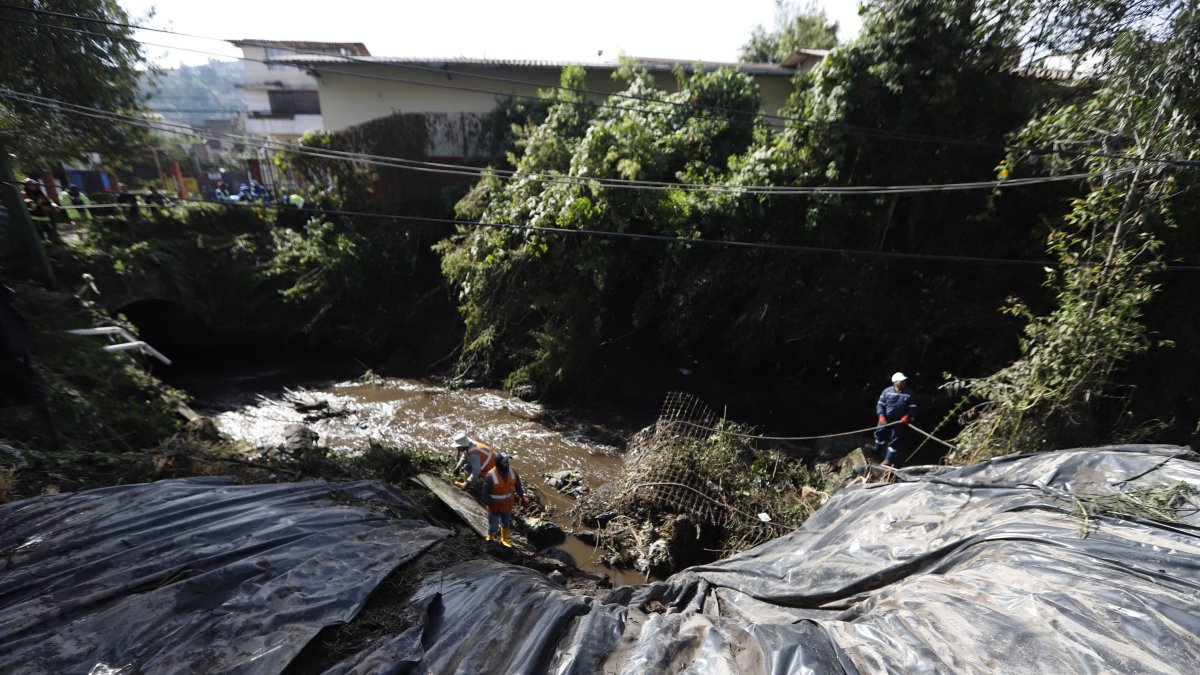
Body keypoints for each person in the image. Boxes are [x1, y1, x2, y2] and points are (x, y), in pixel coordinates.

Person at [479, 454, 527, 547]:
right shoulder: (490, 476)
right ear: (498, 464)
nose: (507, 464)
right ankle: (490, 537)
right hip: (494, 506)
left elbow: (518, 485)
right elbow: (485, 494)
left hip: (507, 505)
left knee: (506, 522)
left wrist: (522, 497)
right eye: (504, 462)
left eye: (507, 461)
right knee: (493, 524)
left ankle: (504, 539)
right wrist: (493, 506)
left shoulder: (512, 472)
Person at [874, 372, 916, 468]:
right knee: (879, 433)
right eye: (901, 381)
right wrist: (881, 415)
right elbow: (880, 404)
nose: (904, 382)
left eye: (904, 381)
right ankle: (877, 450)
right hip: (886, 419)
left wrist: (907, 416)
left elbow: (913, 408)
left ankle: (888, 459)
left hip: (899, 421)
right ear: (895, 382)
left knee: (895, 439)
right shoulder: (886, 391)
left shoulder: (909, 393)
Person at [21, 179, 61, 243]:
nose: (33, 185)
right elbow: (29, 203)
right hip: (34, 217)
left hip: (44, 216)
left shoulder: (39, 192)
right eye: (30, 184)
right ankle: (43, 247)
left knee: (50, 230)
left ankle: (54, 243)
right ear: (26, 185)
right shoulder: (24, 193)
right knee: (39, 233)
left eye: (33, 183)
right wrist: (41, 207)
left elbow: (48, 201)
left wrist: (54, 205)